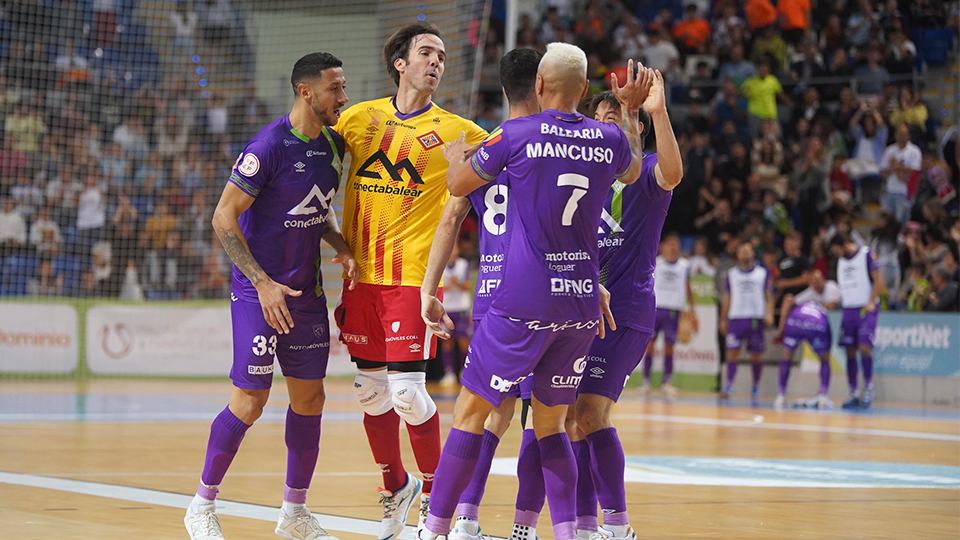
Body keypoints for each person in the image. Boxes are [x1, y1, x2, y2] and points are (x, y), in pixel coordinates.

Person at [419, 44, 647, 540]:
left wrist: (459, 157)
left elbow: (459, 186)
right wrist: (629, 111)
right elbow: (632, 171)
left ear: (539, 86)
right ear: (585, 91)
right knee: (551, 425)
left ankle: (437, 529)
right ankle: (566, 532)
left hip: (522, 301)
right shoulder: (608, 139)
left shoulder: (515, 133)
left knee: (471, 414)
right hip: (582, 303)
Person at [183, 52, 354, 540]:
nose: (342, 97)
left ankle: (294, 514)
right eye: (334, 88)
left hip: (305, 296)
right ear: (306, 92)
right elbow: (222, 218)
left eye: (341, 88)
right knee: (250, 403)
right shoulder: (268, 147)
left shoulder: (334, 148)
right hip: (258, 294)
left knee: (311, 399)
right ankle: (201, 505)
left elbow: (315, 212)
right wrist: (261, 283)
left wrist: (343, 249)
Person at [332, 23, 488, 538]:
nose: (436, 62)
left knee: (405, 393)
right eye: (426, 53)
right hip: (362, 280)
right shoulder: (358, 119)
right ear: (400, 63)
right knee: (369, 393)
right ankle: (395, 488)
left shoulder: (458, 131)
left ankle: (436, 499)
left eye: (441, 55)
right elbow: (313, 157)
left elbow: (516, 153)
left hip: (413, 282)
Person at [420, 48, 547, 540]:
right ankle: (523, 528)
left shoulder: (483, 148)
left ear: (501, 88)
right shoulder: (547, 143)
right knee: (543, 418)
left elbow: (450, 219)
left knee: (488, 412)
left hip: (489, 294)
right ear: (542, 85)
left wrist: (428, 288)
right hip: (538, 292)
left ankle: (463, 517)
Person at [570, 71, 682, 540]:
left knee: (592, 412)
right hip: (574, 308)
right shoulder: (579, 177)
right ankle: (580, 525)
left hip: (628, 308)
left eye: (612, 117)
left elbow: (673, 173)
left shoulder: (650, 172)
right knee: (570, 418)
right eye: (596, 118)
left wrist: (652, 112)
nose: (603, 125)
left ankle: (617, 525)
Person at [829, 234, 883, 410]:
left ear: (845, 244)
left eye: (838, 251)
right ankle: (853, 392)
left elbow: (879, 281)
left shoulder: (866, 254)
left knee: (865, 347)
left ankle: (868, 387)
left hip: (865, 308)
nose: (838, 255)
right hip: (848, 310)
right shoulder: (841, 262)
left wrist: (871, 301)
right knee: (849, 351)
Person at [641, 234, 696, 397]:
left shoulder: (685, 266)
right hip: (656, 309)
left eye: (676, 244)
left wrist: (691, 309)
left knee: (669, 348)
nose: (673, 247)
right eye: (670, 244)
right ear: (663, 246)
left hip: (674, 310)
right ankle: (646, 382)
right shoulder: (656, 263)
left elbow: (688, 288)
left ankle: (667, 382)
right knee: (649, 346)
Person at [719, 242, 774, 401]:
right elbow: (727, 297)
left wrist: (769, 313)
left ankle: (755, 386)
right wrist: (723, 318)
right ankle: (729, 385)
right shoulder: (732, 274)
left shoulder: (762, 273)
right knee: (732, 353)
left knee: (756, 355)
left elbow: (768, 294)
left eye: (747, 251)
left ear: (752, 254)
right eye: (741, 251)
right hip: (736, 318)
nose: (744, 254)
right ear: (737, 255)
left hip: (755, 317)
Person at [773, 296, 833, 409]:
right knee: (824, 358)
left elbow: (787, 299)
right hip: (817, 324)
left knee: (787, 355)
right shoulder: (822, 311)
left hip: (794, 321)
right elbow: (829, 341)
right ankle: (823, 396)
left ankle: (780, 396)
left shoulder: (799, 303)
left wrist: (781, 326)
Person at [438, 241, 471, 387]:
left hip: (461, 309)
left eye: (454, 249)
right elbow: (437, 289)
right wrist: (451, 285)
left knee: (464, 341)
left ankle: (465, 372)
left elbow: (468, 286)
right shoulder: (440, 265)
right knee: (447, 342)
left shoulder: (464, 265)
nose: (452, 252)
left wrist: (456, 284)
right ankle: (449, 373)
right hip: (446, 309)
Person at [880, 124, 921, 225]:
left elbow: (915, 171)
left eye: (904, 134)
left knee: (900, 221)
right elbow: (883, 172)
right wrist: (894, 168)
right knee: (886, 221)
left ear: (908, 136)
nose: (901, 137)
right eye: (899, 134)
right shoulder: (890, 150)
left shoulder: (914, 151)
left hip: (904, 192)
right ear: (895, 135)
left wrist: (897, 166)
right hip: (889, 190)